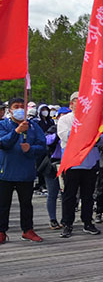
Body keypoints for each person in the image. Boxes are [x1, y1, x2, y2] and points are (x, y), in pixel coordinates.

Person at [0, 97, 46, 243]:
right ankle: (1, 231)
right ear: (10, 109)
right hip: (6, 171)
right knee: (3, 204)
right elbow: (4, 143)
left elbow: (42, 146)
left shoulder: (33, 126)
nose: (19, 109)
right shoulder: (3, 124)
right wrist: (17, 131)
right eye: (16, 106)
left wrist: (30, 149)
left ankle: (27, 230)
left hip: (26, 172)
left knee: (26, 203)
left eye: (22, 106)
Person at [58, 92, 101, 238]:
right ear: (71, 104)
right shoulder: (65, 120)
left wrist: (93, 132)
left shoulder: (95, 120)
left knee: (88, 196)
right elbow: (66, 136)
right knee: (69, 196)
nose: (80, 104)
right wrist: (84, 129)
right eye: (77, 101)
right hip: (72, 164)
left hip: (89, 164)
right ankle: (67, 224)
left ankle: (88, 222)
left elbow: (102, 139)